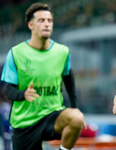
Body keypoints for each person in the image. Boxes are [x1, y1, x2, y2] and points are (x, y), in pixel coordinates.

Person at [1, 3, 86, 150]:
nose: (46, 24)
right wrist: (23, 94)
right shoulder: (16, 53)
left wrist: (75, 107)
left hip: (52, 114)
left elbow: (68, 79)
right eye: (41, 20)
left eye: (49, 21)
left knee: (76, 118)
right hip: (25, 121)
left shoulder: (62, 51)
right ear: (30, 25)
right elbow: (8, 90)